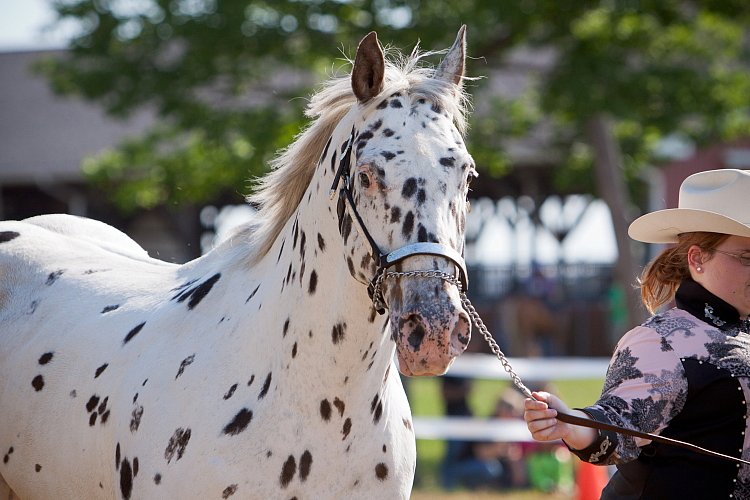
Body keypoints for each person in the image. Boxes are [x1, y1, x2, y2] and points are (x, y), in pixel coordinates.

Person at [523, 168, 750, 498]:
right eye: (747, 257)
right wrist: (571, 423)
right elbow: (618, 424)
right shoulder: (665, 341)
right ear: (698, 258)